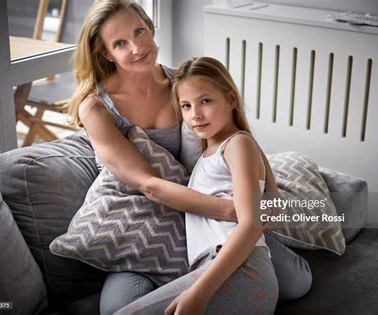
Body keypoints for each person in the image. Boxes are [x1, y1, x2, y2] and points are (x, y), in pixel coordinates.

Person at [65, 1, 311, 314]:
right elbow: (149, 185)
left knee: (294, 284)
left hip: (203, 215)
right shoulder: (96, 107)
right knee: (117, 307)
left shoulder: (180, 84)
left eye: (140, 31)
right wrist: (232, 211)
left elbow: (235, 133)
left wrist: (270, 197)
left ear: (151, 27)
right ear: (104, 53)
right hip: (146, 220)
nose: (138, 47)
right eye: (120, 43)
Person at [113, 56, 306, 314]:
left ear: (231, 99)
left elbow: (251, 224)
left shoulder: (237, 144)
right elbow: (271, 203)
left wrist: (199, 292)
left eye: (205, 101)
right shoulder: (210, 154)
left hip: (240, 270)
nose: (196, 115)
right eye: (186, 106)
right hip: (218, 268)